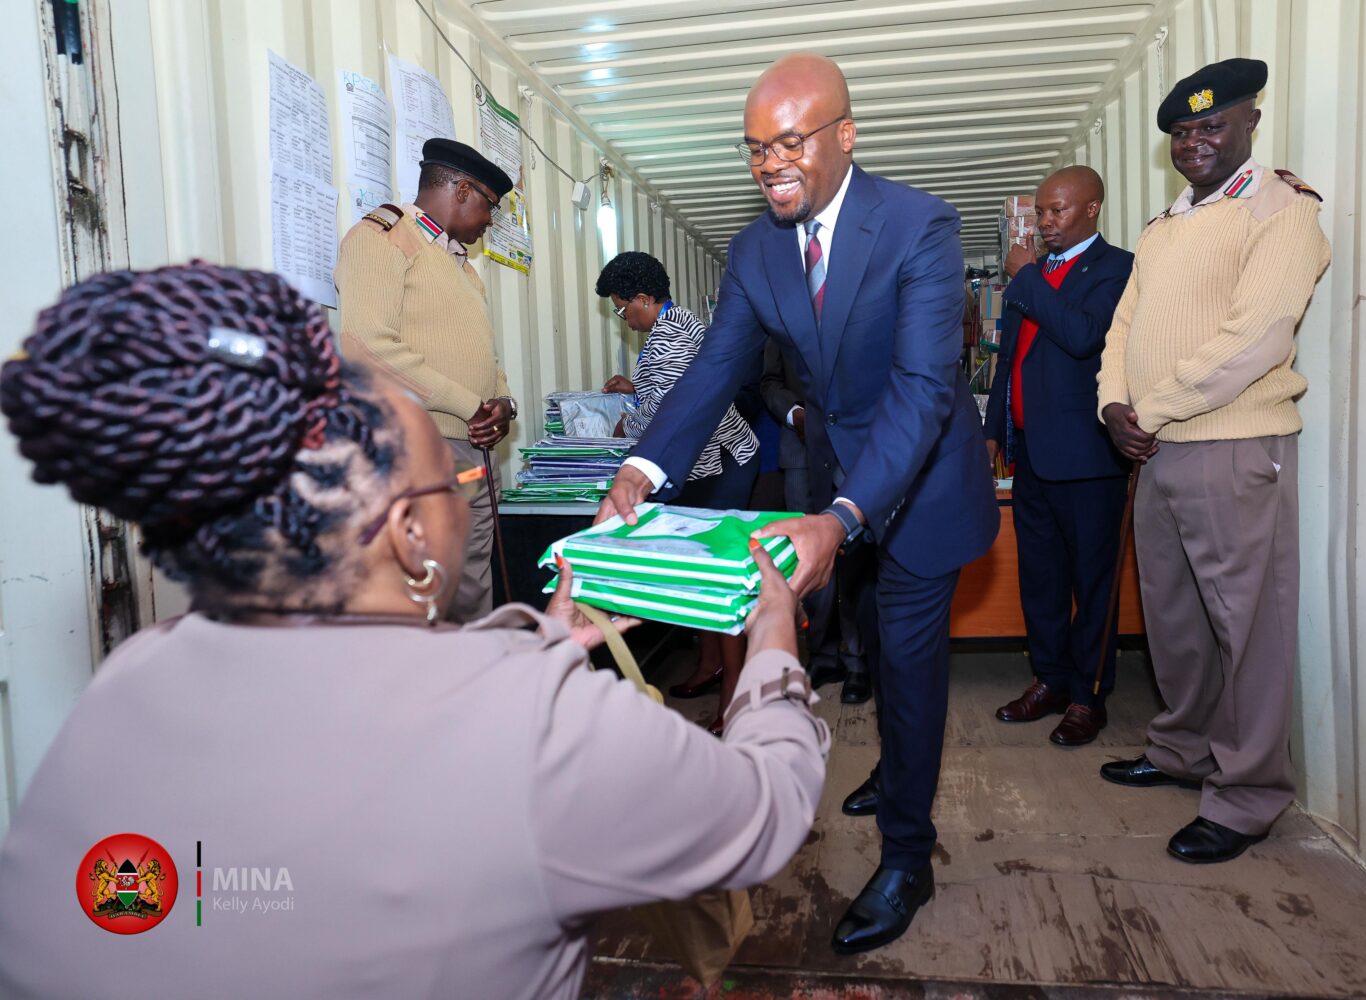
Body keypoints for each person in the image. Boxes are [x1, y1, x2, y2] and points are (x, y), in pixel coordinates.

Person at [0, 264, 828, 999]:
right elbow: (768, 809)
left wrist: (536, 644)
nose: (465, 490)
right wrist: (772, 626)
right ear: (408, 538)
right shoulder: (538, 727)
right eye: (458, 480)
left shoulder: (127, 682)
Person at [595, 53, 998, 953]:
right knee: (872, 645)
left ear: (844, 136)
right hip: (832, 475)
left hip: (921, 481)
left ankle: (907, 857)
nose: (768, 164)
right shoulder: (752, 249)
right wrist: (645, 471)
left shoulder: (919, 225)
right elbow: (716, 372)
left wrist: (844, 517)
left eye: (788, 142)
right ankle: (899, 764)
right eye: (753, 149)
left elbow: (926, 389)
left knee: (908, 652)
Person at [1095, 58, 1331, 863]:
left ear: (1249, 125)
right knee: (1176, 623)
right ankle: (1181, 751)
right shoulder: (1163, 228)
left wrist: (1148, 408)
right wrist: (1111, 406)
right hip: (1156, 452)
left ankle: (1250, 795)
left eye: (1212, 126)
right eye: (1182, 132)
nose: (1195, 141)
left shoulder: (1281, 210)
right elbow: (1122, 330)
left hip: (1233, 445)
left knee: (1247, 629)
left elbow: (1259, 337)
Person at [335, 137, 517, 622]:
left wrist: (502, 403)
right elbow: (367, 346)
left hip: (469, 447)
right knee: (425, 580)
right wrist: (468, 404)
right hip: (421, 445)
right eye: (489, 206)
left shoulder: (457, 262)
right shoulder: (382, 238)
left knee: (471, 573)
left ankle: (473, 683)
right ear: (460, 191)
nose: (489, 221)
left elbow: (480, 352)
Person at [982, 166, 1133, 746]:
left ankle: (1088, 696)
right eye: (1041, 211)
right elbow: (1010, 362)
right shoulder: (1037, 274)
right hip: (1031, 458)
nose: (1045, 222)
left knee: (1092, 583)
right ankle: (1049, 679)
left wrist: (1024, 280)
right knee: (1039, 579)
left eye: (1058, 211)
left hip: (1088, 459)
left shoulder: (1115, 269)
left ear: (1092, 208)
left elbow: (1082, 336)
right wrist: (993, 431)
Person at [595, 251, 760, 735]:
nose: (623, 317)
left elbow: (671, 416)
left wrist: (628, 418)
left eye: (624, 308)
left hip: (717, 463)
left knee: (719, 578)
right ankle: (710, 665)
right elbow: (666, 392)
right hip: (714, 459)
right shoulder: (677, 321)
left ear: (646, 299)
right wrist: (636, 391)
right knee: (701, 570)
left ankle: (735, 700)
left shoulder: (667, 342)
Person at [761, 339, 872, 705]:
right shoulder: (781, 304)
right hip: (799, 448)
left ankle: (859, 661)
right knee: (807, 554)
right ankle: (823, 656)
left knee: (856, 556)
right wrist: (795, 414)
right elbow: (770, 380)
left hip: (853, 448)